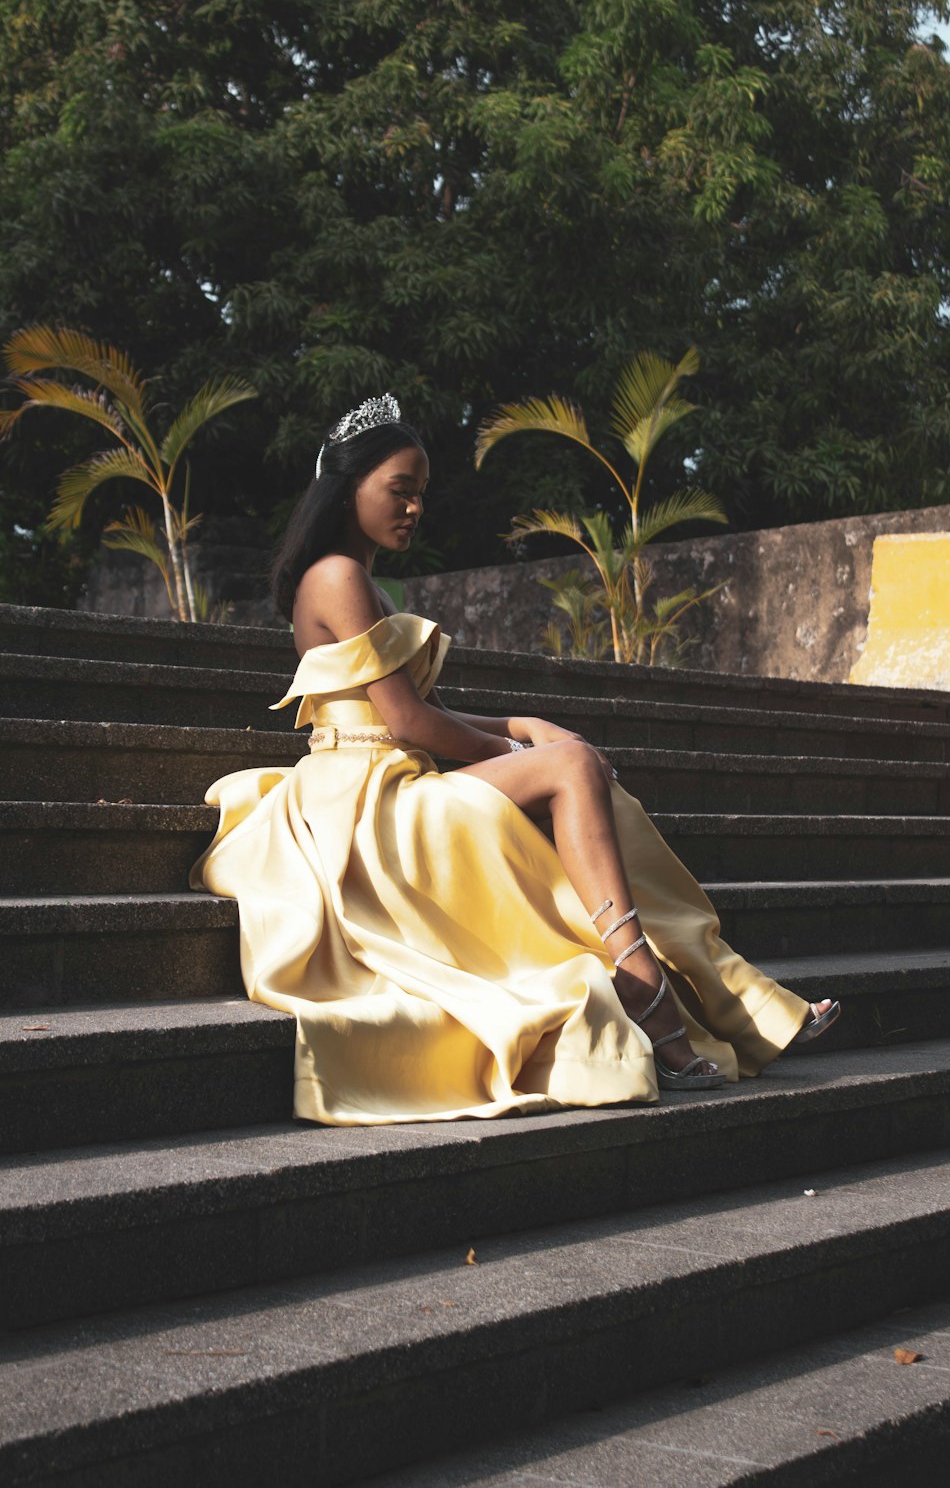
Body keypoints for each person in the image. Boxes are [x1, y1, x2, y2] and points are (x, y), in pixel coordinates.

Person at [191, 395, 839, 1126]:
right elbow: (403, 717)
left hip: (394, 778)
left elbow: (403, 712)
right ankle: (657, 984)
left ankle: (703, 989)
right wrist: (515, 747)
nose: (413, 509)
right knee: (571, 767)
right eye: (398, 491)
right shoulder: (336, 575)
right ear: (347, 489)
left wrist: (519, 723)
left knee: (575, 767)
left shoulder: (359, 580)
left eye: (419, 495)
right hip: (364, 801)